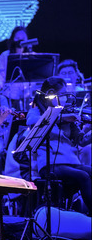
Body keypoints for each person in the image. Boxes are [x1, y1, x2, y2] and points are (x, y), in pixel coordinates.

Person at [26, 76, 91, 215]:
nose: (66, 99)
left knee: (89, 171)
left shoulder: (67, 114)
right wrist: (60, 117)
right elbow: (32, 121)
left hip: (71, 162)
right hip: (50, 164)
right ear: (50, 94)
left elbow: (82, 140)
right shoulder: (37, 112)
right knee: (83, 177)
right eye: (63, 95)